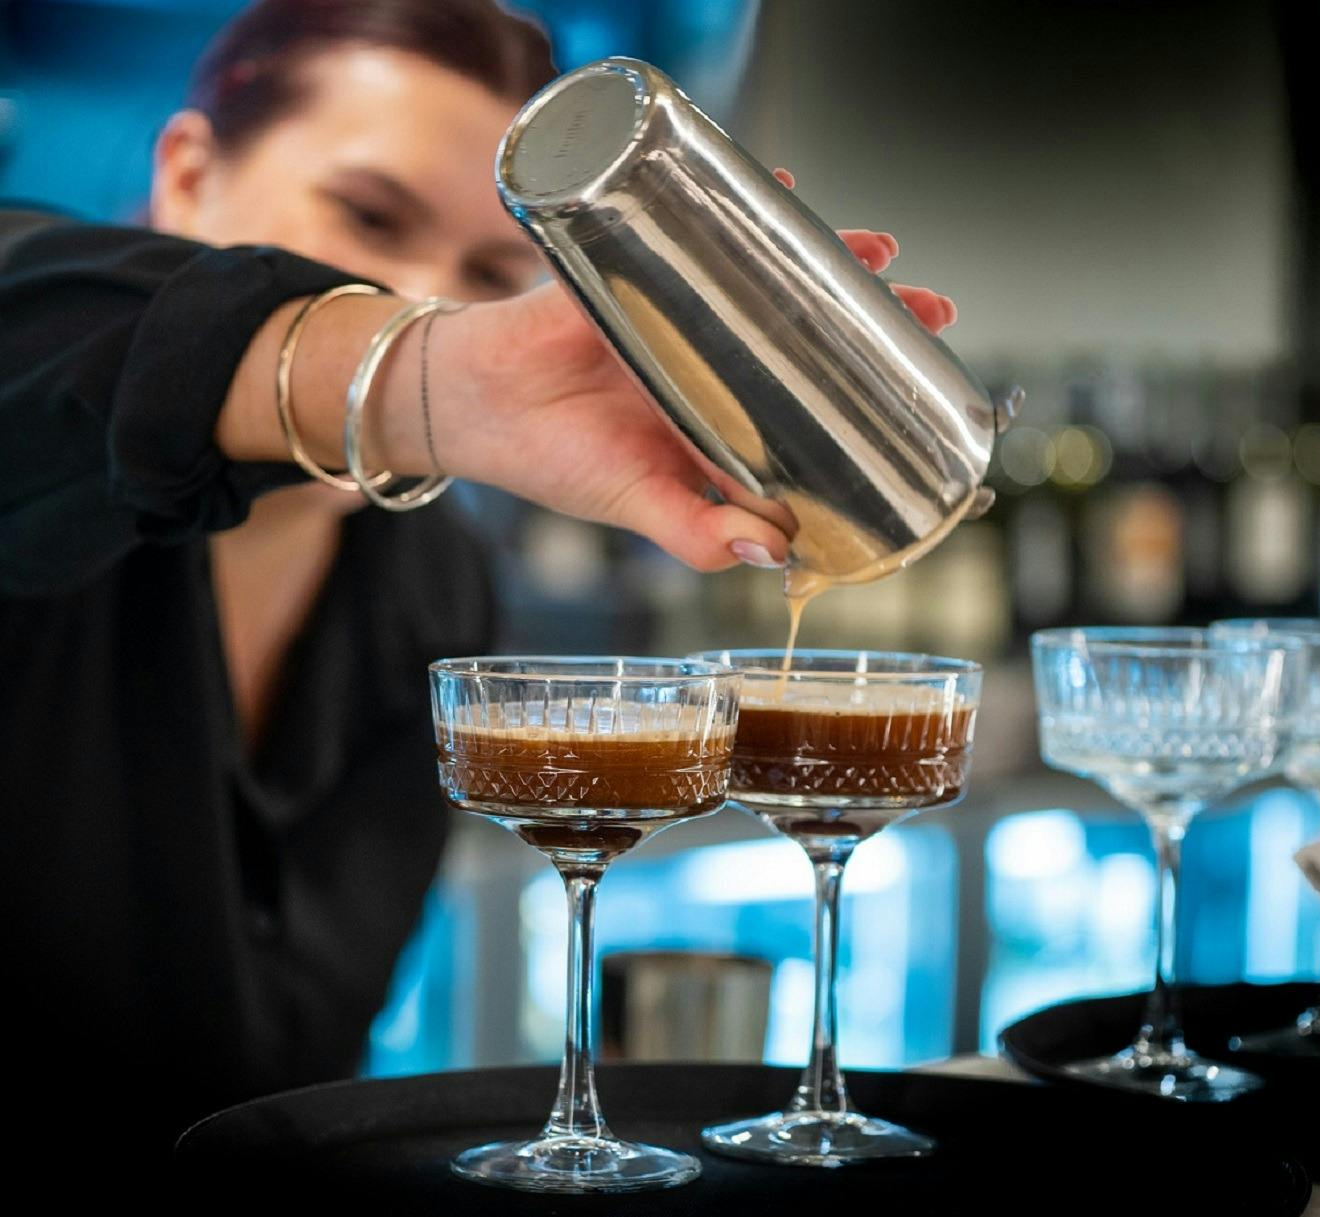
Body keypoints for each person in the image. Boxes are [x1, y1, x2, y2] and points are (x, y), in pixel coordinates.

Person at [0, 0, 955, 1172]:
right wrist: (421, 377)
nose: (425, 297)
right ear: (188, 175)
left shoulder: (433, 584)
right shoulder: (34, 401)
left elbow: (295, 1072)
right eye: (367, 214)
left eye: (492, 273)